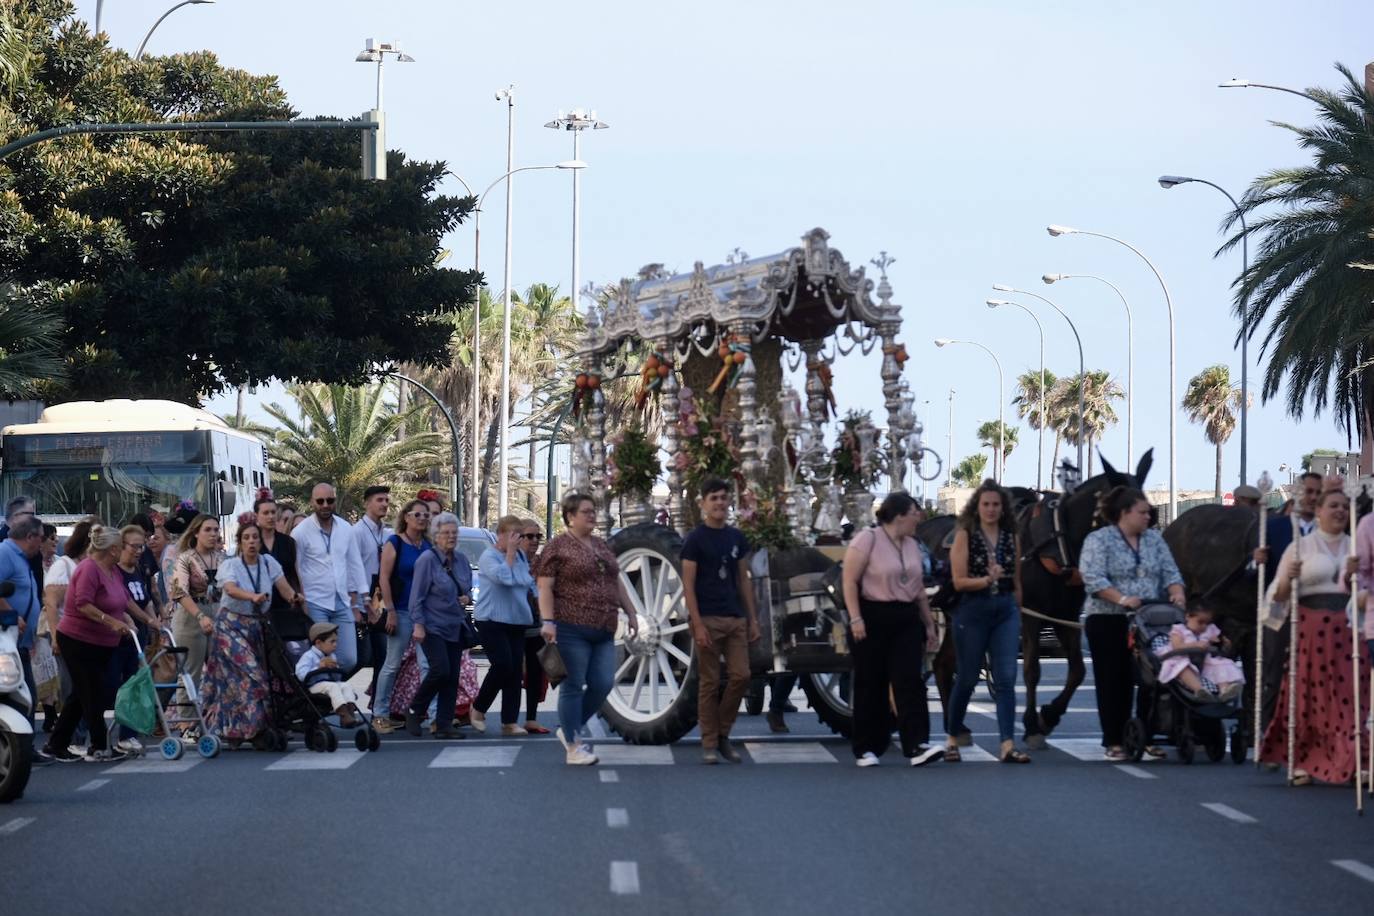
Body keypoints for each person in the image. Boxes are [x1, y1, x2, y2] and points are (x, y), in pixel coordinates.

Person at [1261, 486, 1371, 785]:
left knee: (1352, 695)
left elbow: (1366, 590)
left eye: (1344, 506)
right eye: (1333, 505)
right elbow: (1278, 596)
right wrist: (1289, 578)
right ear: (1319, 511)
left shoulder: (1356, 546)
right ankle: (1304, 760)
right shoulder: (1301, 547)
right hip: (1311, 631)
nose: (1339, 511)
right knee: (1310, 695)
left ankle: (1354, 759)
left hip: (1350, 630)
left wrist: (1353, 577)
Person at [1080, 485, 1186, 761]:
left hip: (1150, 619)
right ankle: (1114, 739)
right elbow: (1093, 578)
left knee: (1155, 676)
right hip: (1110, 618)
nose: (1148, 517)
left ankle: (1146, 734)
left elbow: (1171, 572)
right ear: (1124, 513)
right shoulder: (1099, 540)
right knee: (1114, 680)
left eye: (1149, 513)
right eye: (1142, 512)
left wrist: (1177, 592)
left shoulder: (1154, 540)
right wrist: (1122, 598)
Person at [537, 493, 639, 766]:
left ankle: (569, 727)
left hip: (604, 627)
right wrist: (548, 621)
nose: (592, 515)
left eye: (593, 511)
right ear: (570, 517)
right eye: (586, 511)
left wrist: (631, 612)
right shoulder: (558, 547)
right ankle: (573, 745)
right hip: (571, 626)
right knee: (573, 685)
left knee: (603, 683)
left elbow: (616, 581)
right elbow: (545, 586)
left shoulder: (601, 545)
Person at [842, 491, 942, 768]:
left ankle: (917, 744)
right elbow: (849, 581)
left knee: (910, 680)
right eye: (914, 513)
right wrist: (855, 618)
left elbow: (918, 589)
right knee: (870, 683)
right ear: (899, 516)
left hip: (906, 617)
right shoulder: (868, 539)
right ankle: (867, 747)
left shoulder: (912, 545)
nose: (918, 517)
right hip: (871, 615)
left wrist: (929, 625)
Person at [944, 480, 1030, 764]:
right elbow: (958, 581)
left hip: (1005, 610)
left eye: (996, 505)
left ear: (1003, 508)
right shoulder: (965, 536)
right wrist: (985, 580)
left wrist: (1019, 614)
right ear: (977, 507)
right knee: (967, 678)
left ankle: (1007, 744)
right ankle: (952, 737)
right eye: (986, 504)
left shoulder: (1011, 537)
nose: (991, 509)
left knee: (1005, 678)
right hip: (973, 610)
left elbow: (1017, 581)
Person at [201, 521, 305, 744]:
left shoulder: (268, 563)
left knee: (243, 681)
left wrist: (294, 597)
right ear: (240, 542)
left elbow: (284, 588)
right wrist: (252, 596)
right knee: (252, 676)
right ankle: (252, 728)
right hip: (230, 626)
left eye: (255, 538)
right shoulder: (231, 565)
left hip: (256, 626)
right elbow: (230, 589)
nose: (251, 542)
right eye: (246, 538)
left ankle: (243, 729)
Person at [39, 525, 135, 763]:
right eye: (122, 546)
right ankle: (99, 746)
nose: (124, 550)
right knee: (92, 693)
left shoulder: (113, 571)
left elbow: (124, 600)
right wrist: (111, 621)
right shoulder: (88, 569)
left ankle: (55, 745)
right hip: (77, 640)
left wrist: (143, 620)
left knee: (82, 694)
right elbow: (83, 603)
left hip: (101, 643)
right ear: (113, 550)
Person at [681, 477, 758, 764]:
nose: (720, 503)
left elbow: (743, 579)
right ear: (703, 503)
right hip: (708, 618)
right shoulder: (695, 540)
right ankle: (709, 743)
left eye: (724, 498)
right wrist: (697, 623)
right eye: (714, 498)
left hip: (735, 617)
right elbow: (688, 585)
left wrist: (752, 619)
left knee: (742, 676)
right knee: (710, 682)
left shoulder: (736, 537)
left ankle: (723, 733)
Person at [405, 512, 471, 740]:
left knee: (451, 676)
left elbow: (466, 589)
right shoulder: (427, 560)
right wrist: (418, 625)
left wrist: (467, 597)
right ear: (435, 536)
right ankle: (415, 710)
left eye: (454, 532)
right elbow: (416, 596)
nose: (451, 536)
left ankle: (444, 724)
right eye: (445, 533)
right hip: (432, 625)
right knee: (440, 669)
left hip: (455, 625)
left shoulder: (461, 560)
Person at [292, 482, 367, 673]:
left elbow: (354, 563)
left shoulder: (345, 528)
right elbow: (295, 568)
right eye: (320, 501)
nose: (325, 505)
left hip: (342, 601)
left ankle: (332, 685)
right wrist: (302, 599)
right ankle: (326, 689)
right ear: (312, 502)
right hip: (315, 601)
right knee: (321, 656)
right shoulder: (301, 532)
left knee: (349, 659)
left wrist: (361, 598)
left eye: (330, 500)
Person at [472, 516, 536, 737]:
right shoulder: (488, 556)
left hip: (516, 619)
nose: (517, 540)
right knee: (502, 664)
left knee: (515, 671)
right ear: (500, 535)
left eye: (520, 536)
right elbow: (504, 578)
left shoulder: (520, 556)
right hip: (491, 619)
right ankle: (478, 708)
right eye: (513, 535)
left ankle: (509, 721)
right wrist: (509, 555)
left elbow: (526, 581)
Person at [373, 499, 432, 731]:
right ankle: (380, 714)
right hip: (401, 610)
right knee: (392, 664)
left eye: (426, 515)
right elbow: (384, 578)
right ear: (406, 517)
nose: (422, 519)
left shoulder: (428, 545)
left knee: (427, 665)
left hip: (424, 614)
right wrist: (390, 610)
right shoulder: (395, 542)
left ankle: (430, 715)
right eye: (417, 514)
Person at [110, 524, 161, 753]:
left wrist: (154, 621)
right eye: (135, 546)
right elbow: (124, 603)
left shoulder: (138, 570)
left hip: (138, 635)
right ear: (121, 546)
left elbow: (146, 599)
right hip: (120, 634)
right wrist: (146, 620)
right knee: (114, 684)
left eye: (142, 547)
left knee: (134, 684)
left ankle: (127, 735)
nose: (139, 551)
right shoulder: (114, 572)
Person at [168, 513, 226, 696]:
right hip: (191, 615)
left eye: (216, 530)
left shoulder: (222, 558)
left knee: (221, 672)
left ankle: (216, 710)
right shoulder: (185, 558)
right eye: (207, 530)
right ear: (195, 533)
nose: (213, 534)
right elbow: (179, 592)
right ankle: (187, 714)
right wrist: (200, 616)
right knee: (190, 673)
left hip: (217, 612)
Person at [0, 516, 44, 725]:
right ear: (29, 537)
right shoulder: (5, 553)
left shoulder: (20, 557)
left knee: (27, 698)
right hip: (8, 642)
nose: (42, 543)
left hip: (20, 644)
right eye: (41, 537)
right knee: (24, 699)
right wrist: (12, 615)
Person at [352, 486, 393, 700]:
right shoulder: (357, 532)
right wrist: (357, 605)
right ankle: (323, 694)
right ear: (367, 503)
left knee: (383, 657)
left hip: (380, 603)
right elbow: (351, 569)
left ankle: (379, 705)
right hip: (360, 603)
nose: (384, 504)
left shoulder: (387, 534)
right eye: (379, 500)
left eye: (386, 500)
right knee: (361, 657)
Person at [1155, 603, 1245, 699]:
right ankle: (1199, 690)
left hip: (1203, 661)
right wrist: (1195, 644)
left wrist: (1222, 641)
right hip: (1180, 658)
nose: (1204, 626)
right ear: (1188, 616)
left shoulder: (1209, 630)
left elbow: (1218, 640)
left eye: (1207, 623)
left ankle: (1224, 689)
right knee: (1182, 667)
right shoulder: (1179, 630)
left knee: (1221, 663)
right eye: (1200, 622)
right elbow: (1177, 646)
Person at [253, 493, 305, 640]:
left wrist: (302, 602)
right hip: (261, 606)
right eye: (265, 513)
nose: (270, 517)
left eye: (273, 512)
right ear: (256, 516)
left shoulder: (288, 542)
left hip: (288, 605)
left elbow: (297, 574)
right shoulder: (251, 542)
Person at [295, 623, 364, 727]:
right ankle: (343, 714)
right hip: (313, 686)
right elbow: (301, 675)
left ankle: (350, 711)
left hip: (328, 685)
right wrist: (319, 667)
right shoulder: (308, 656)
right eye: (332, 642)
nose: (335, 644)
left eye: (336, 641)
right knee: (332, 686)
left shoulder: (332, 656)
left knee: (345, 685)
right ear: (318, 642)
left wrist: (334, 669)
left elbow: (336, 678)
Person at [519, 521, 550, 734]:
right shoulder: (511, 560)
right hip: (512, 625)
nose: (534, 541)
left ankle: (531, 718)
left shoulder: (541, 563)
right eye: (530, 536)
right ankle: (481, 709)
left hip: (536, 625)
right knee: (507, 671)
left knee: (536, 673)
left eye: (538, 536)